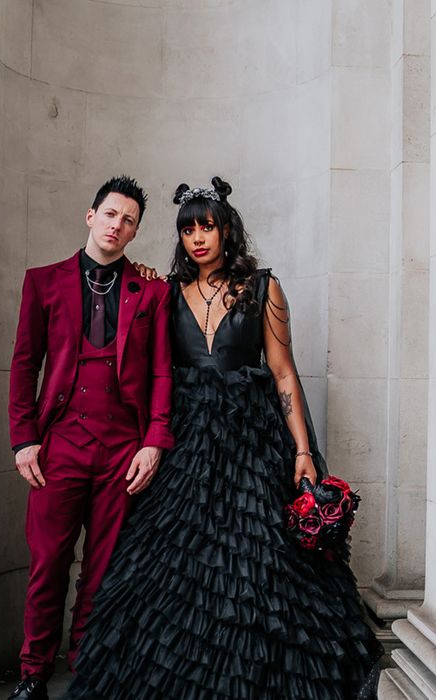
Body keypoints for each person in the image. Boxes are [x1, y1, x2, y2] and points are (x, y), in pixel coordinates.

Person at [64, 177, 382, 699]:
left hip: (253, 443)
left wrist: (303, 450)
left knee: (260, 562)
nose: (198, 238)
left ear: (227, 230)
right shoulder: (164, 292)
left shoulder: (263, 287)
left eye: (207, 227)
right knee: (179, 562)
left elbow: (284, 374)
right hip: (186, 443)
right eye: (188, 230)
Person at [7, 176, 175, 700]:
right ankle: (33, 675)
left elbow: (162, 374)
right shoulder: (43, 281)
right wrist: (23, 439)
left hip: (122, 449)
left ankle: (88, 670)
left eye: (128, 220)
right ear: (90, 216)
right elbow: (24, 364)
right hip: (58, 446)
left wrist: (154, 440)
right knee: (48, 565)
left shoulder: (151, 290)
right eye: (110, 214)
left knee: (102, 570)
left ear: (135, 232)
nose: (116, 225)